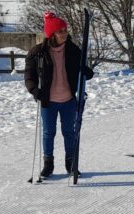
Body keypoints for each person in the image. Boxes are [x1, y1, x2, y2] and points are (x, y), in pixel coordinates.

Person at [24, 11, 94, 179]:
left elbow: (86, 72)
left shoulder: (72, 49)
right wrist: (35, 91)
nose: (64, 33)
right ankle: (48, 165)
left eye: (65, 30)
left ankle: (71, 164)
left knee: (69, 132)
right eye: (60, 31)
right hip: (48, 100)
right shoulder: (37, 52)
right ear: (52, 34)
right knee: (48, 133)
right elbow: (29, 76)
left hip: (68, 99)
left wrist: (85, 71)